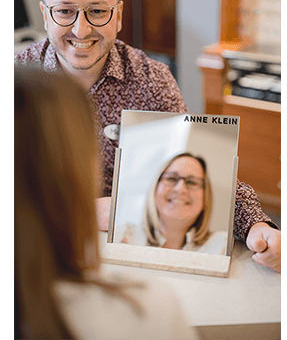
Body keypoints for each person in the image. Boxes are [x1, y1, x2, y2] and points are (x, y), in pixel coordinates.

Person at [14, 0, 281, 273]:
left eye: (97, 11)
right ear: (44, 14)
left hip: (138, 254)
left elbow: (205, 173)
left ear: (119, 15)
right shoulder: (20, 79)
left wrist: (257, 226)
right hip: (37, 253)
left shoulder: (152, 80)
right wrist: (81, 208)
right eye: (65, 11)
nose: (81, 30)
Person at [14, 66, 198, 340]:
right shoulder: (144, 310)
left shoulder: (152, 79)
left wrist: (253, 220)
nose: (81, 29)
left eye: (193, 182)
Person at [118, 153, 227, 255]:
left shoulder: (223, 246)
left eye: (192, 182)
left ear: (205, 198)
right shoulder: (122, 236)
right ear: (155, 189)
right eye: (171, 178)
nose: (180, 189)